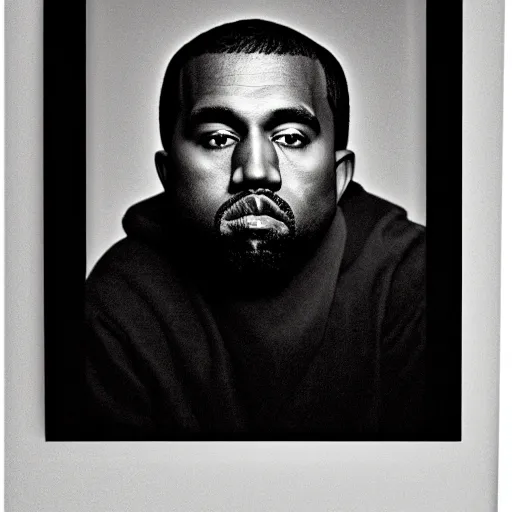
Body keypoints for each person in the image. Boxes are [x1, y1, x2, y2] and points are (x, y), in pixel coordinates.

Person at [83, 18, 426, 440]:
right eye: (218, 139)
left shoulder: (414, 281)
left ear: (339, 178)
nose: (257, 170)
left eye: (291, 137)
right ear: (169, 175)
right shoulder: (119, 301)